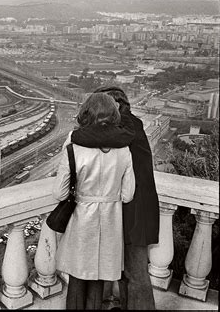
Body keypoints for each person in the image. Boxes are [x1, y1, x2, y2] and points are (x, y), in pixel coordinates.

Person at [71, 86, 160, 310]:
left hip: (133, 210)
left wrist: (77, 131)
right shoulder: (131, 124)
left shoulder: (125, 126)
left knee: (135, 272)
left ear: (116, 106)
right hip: (133, 208)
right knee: (127, 272)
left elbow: (85, 137)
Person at [53, 92, 136, 310]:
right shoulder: (125, 148)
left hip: (82, 219)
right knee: (99, 280)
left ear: (86, 114)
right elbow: (127, 195)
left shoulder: (74, 143)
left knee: (78, 278)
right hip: (110, 222)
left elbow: (60, 194)